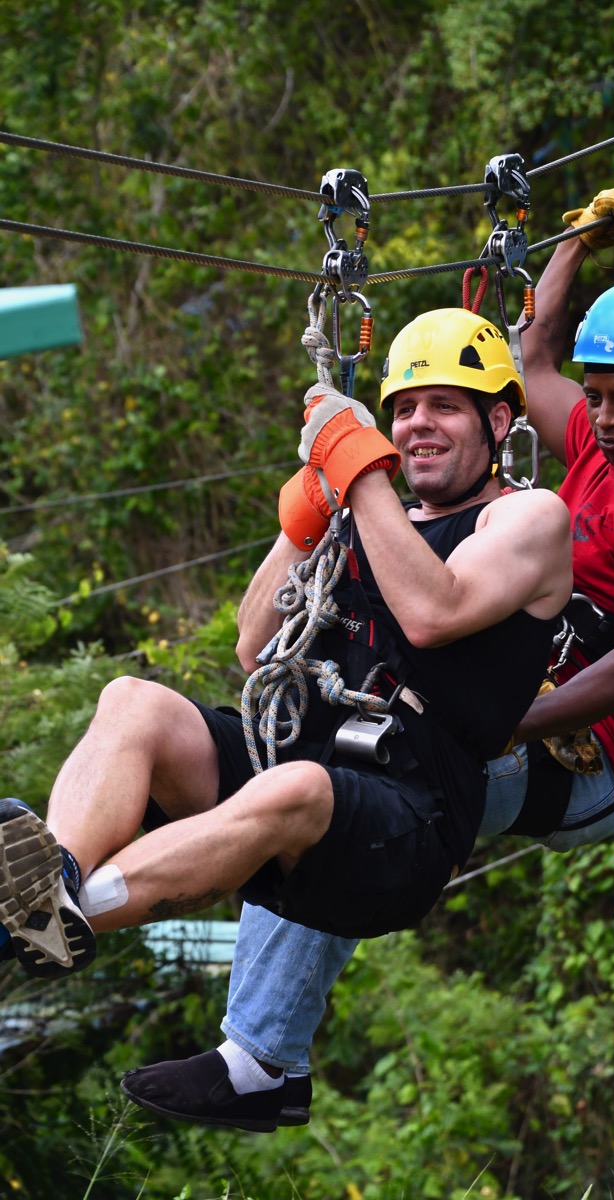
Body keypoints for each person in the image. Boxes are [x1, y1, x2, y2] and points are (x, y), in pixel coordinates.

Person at [115, 190, 614, 1134]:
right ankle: (257, 1046)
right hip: (525, 684)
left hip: (589, 750)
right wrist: (574, 244)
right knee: (329, 759)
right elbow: (529, 358)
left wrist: (488, 718)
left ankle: (260, 1056)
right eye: (598, 395)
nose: (602, 417)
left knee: (358, 777)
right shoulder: (604, 445)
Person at [0, 308, 572, 974]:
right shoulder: (367, 512)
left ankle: (33, 925)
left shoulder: (528, 517)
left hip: (408, 827)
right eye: (405, 408)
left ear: (497, 422)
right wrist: (301, 524)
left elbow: (431, 612)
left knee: (294, 788)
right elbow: (254, 644)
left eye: (444, 406)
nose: (418, 423)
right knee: (134, 702)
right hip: (297, 770)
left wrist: (359, 471)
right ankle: (53, 881)